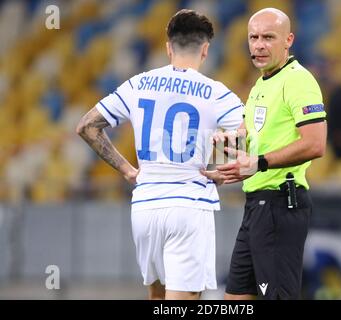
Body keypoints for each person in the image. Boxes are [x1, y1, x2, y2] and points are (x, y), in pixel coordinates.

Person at [76, 9, 244, 300]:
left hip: (146, 205)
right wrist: (225, 164)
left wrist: (128, 170)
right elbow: (249, 133)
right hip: (188, 205)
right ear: (205, 50)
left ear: (168, 48)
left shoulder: (138, 83)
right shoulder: (216, 93)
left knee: (157, 297)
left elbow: (87, 126)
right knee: (183, 301)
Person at [202, 8, 327, 300]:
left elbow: (316, 143)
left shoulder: (298, 80)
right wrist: (224, 160)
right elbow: (248, 137)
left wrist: (258, 163)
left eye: (268, 37)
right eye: (254, 37)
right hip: (256, 206)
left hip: (280, 204)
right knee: (234, 299)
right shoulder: (262, 84)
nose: (259, 44)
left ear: (288, 40)